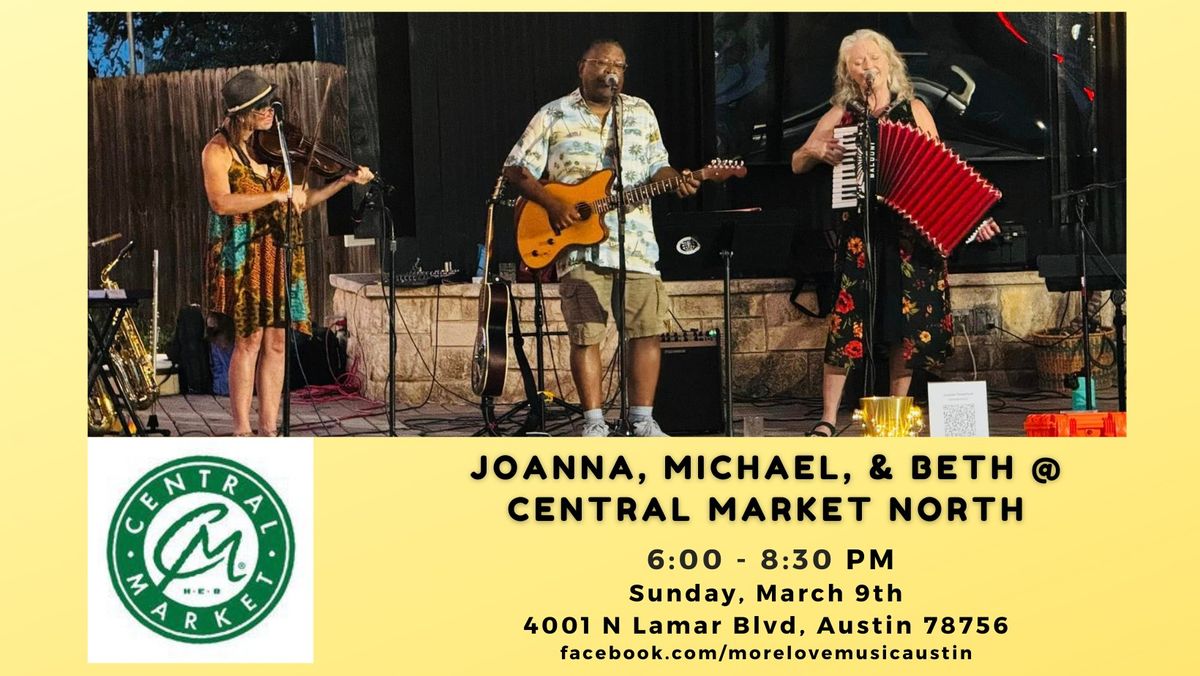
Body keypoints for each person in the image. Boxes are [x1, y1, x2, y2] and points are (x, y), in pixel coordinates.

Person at [791, 29, 1001, 437]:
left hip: (910, 238)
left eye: (874, 57)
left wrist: (973, 218)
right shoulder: (840, 115)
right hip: (860, 237)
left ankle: (895, 418)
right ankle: (828, 418)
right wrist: (816, 151)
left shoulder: (916, 110)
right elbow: (797, 162)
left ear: (889, 63)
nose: (867, 64)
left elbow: (944, 174)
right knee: (847, 326)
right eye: (857, 61)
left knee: (903, 330)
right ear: (847, 72)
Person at [503, 39, 701, 437]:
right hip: (578, 247)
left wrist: (676, 179)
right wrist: (555, 206)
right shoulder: (554, 114)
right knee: (586, 333)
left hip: (638, 244)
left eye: (618, 64)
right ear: (582, 67)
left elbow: (657, 166)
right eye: (602, 62)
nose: (610, 69)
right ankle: (594, 424)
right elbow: (515, 168)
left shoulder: (640, 112)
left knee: (647, 329)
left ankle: (642, 420)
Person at [202, 69, 374, 436]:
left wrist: (342, 181)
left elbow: (302, 201)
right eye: (261, 107)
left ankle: (269, 428)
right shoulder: (217, 150)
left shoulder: (275, 144)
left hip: (279, 251)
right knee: (248, 340)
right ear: (242, 113)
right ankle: (241, 429)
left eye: (270, 104)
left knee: (277, 342)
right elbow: (221, 203)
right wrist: (277, 195)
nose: (271, 112)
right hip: (245, 254)